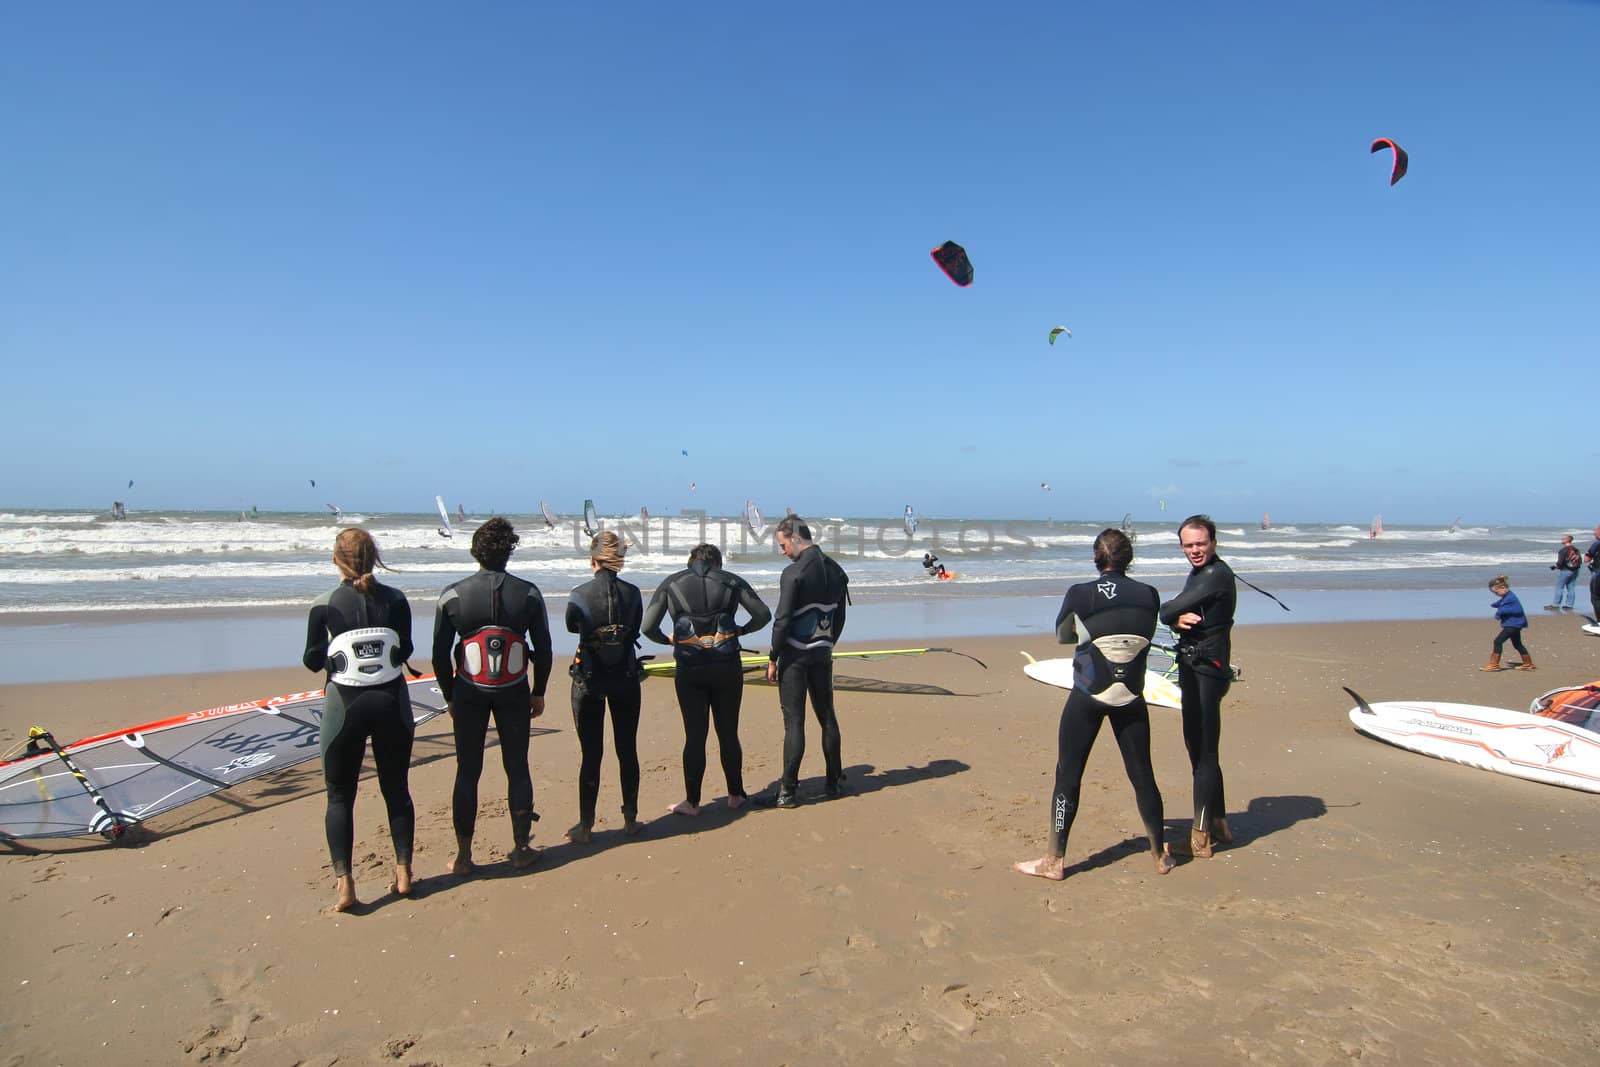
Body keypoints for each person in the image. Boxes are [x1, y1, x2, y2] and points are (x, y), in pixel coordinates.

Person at [1014, 529, 1175, 881]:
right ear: (1129, 559)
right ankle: (1160, 855)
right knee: (1142, 775)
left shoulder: (1080, 593)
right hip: (1131, 696)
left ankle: (1053, 861)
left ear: (1095, 558)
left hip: (1088, 696)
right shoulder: (1150, 594)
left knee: (1068, 775)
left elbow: (1063, 636)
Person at [303, 528, 416, 912]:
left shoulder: (324, 603)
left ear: (336, 559)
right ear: (374, 557)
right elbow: (406, 649)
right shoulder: (397, 599)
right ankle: (404, 875)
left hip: (344, 704)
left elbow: (311, 659)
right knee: (396, 787)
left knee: (339, 795)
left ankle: (346, 885)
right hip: (391, 702)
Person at [432, 518, 553, 874]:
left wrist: (449, 695)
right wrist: (539, 691)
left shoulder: (453, 594)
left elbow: (439, 654)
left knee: (467, 770)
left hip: (469, 691)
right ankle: (520, 848)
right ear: (509, 550)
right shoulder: (528, 593)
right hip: (513, 689)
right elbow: (543, 649)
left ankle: (464, 857)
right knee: (517, 766)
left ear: (476, 552)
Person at [642, 543, 772, 815]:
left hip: (690, 670)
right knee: (728, 732)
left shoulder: (671, 583)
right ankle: (735, 795)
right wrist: (741, 630)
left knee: (695, 735)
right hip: (727, 667)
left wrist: (667, 640)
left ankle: (691, 802)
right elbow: (763, 615)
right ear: (718, 563)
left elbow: (647, 627)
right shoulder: (732, 581)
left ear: (691, 562)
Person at [1158, 515, 1237, 860]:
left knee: (1203, 753)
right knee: (1200, 749)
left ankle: (1199, 839)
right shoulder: (1200, 574)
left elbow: (1167, 608)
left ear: (1214, 543)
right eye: (1188, 545)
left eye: (1201, 544)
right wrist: (1177, 618)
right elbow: (1178, 611)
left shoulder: (1216, 574)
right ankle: (1218, 823)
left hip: (1208, 669)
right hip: (1195, 665)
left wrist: (1171, 614)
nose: (1195, 550)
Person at [565, 531, 646, 842]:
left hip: (590, 679)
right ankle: (630, 819)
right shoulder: (634, 593)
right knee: (627, 749)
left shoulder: (579, 594)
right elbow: (635, 626)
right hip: (625, 676)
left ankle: (586, 826)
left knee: (591, 753)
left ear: (593, 560)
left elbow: (573, 626)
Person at [765, 516, 850, 807]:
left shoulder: (794, 573)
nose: (783, 551)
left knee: (794, 722)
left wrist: (773, 656)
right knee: (827, 716)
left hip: (795, 656)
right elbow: (839, 617)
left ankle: (787, 791)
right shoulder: (837, 571)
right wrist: (827, 644)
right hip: (822, 654)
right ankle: (834, 782)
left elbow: (783, 620)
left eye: (783, 544)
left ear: (796, 537)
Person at [1483, 575, 1533, 671]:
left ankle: (1494, 664)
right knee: (1517, 644)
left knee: (1498, 641)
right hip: (1514, 624)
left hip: (1513, 624)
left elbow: (1516, 610)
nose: (1496, 594)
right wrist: (1496, 604)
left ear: (1503, 588)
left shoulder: (1511, 598)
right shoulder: (1507, 596)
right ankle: (1528, 663)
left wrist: (1499, 613)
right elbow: (1502, 602)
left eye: (1496, 592)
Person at [1546, 535, 1583, 611]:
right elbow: (1580, 560)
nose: (1561, 539)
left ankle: (1556, 604)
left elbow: (1560, 563)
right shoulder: (1576, 549)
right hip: (1575, 570)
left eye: (1563, 539)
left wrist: (1554, 567)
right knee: (1571, 587)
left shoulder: (1563, 550)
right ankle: (1569, 605)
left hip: (1566, 570)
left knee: (1559, 587)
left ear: (1567, 540)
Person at [1586, 525, 1600, 620]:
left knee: (1596, 598)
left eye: (1595, 532)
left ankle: (1599, 620)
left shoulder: (1597, 544)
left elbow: (1587, 558)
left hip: (1598, 573)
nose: (1594, 534)